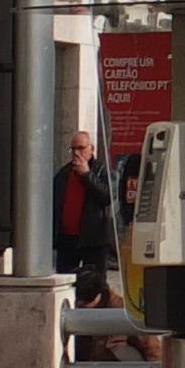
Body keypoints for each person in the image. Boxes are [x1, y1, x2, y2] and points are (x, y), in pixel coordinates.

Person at [54, 128, 121, 305]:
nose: (77, 153)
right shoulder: (64, 174)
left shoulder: (102, 170)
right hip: (68, 239)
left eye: (81, 148)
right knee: (66, 282)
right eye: (73, 149)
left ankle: (100, 321)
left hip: (94, 239)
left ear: (91, 149)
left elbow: (106, 196)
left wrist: (87, 176)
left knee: (96, 285)